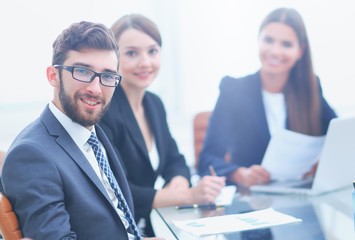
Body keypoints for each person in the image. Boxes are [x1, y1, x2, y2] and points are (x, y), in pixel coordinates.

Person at [1, 21, 162, 240]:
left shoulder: (91, 134)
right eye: (82, 71)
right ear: (53, 76)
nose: (96, 89)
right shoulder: (31, 155)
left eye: (107, 76)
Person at [99, 14, 226, 236]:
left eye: (152, 51)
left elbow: (174, 160)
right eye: (131, 53)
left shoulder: (153, 104)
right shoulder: (104, 111)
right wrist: (188, 195)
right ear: (113, 58)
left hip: (155, 222)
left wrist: (178, 180)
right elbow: (120, 192)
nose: (145, 62)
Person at [198, 8, 337, 187]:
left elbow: (339, 139)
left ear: (300, 51)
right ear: (258, 40)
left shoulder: (310, 89)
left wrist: (322, 164)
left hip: (301, 196)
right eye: (268, 40)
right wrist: (240, 174)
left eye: (286, 44)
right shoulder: (233, 90)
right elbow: (207, 160)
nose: (275, 51)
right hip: (252, 202)